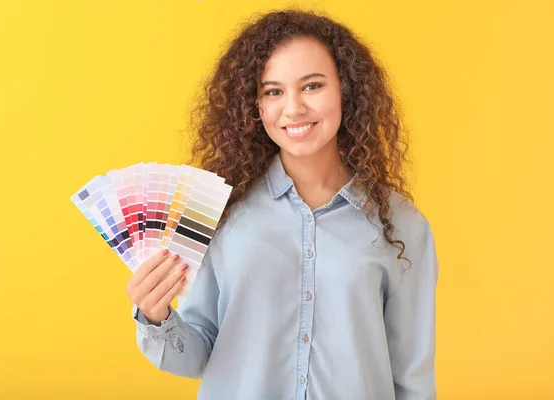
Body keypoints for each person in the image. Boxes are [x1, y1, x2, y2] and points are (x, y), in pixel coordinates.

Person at [125, 8, 439, 400]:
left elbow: (412, 375)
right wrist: (156, 317)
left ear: (346, 89)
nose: (293, 109)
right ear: (255, 106)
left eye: (312, 86)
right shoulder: (216, 212)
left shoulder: (402, 225)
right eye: (273, 91)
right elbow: (196, 355)